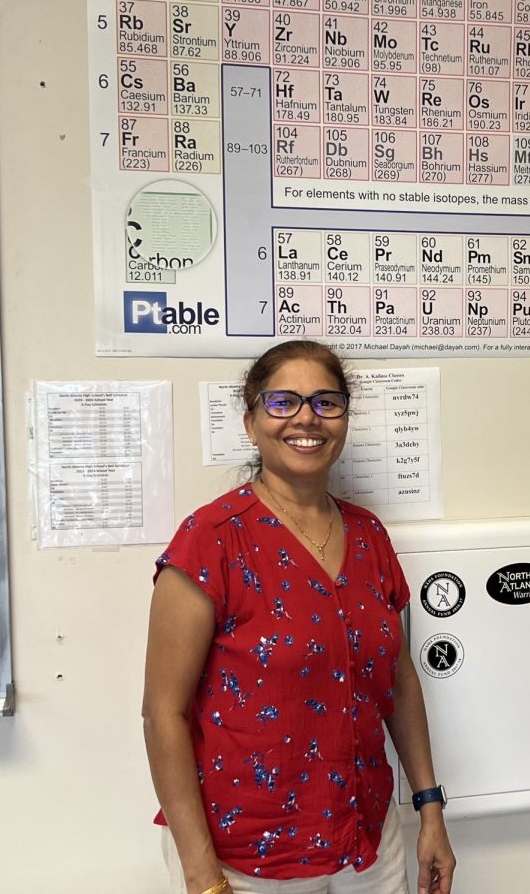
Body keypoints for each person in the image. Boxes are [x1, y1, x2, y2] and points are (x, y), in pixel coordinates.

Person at [143, 340, 456, 894]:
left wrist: (429, 807)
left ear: (344, 418)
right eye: (283, 401)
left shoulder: (369, 536)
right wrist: (201, 876)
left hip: (366, 841)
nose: (307, 417)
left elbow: (399, 683)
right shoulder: (211, 541)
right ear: (251, 420)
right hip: (247, 858)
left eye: (326, 402)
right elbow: (162, 714)